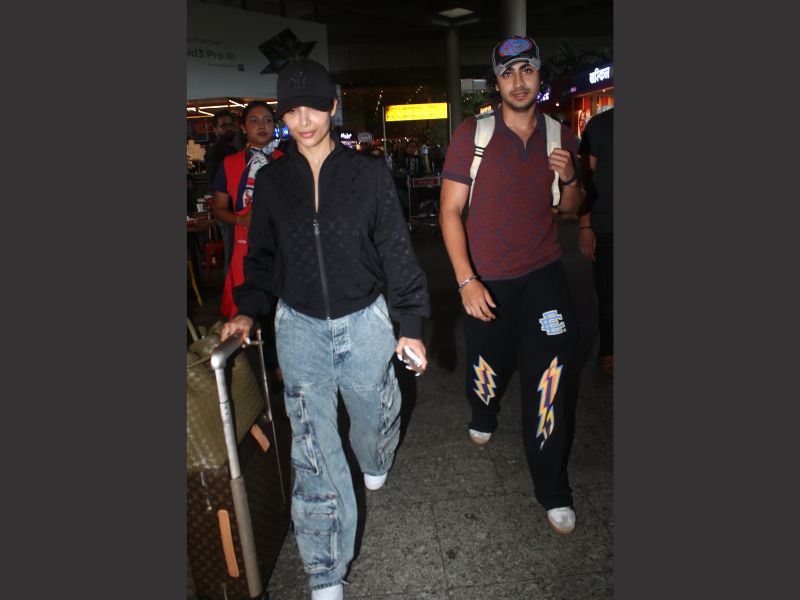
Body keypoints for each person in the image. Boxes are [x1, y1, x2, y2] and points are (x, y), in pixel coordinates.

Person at [220, 58, 430, 600]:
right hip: (299, 327)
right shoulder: (273, 182)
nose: (303, 120)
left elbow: (396, 251)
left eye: (313, 107)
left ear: (333, 107)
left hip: (365, 322)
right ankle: (326, 571)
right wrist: (248, 309)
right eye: (291, 111)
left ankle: (376, 453)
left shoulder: (368, 174)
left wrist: (409, 324)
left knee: (372, 418)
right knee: (313, 447)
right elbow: (261, 259)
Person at [438, 35, 585, 535]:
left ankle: (552, 488)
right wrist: (466, 280)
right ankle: (483, 410)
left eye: (527, 70)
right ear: (495, 82)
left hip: (543, 274)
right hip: (487, 278)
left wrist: (570, 179)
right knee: (486, 366)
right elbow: (450, 210)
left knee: (551, 376)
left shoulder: (560, 134)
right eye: (507, 73)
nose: (518, 81)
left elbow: (571, 208)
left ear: (540, 75)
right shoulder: (473, 134)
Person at [213, 101, 283, 381]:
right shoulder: (229, 164)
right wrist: (241, 220)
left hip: (285, 248)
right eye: (254, 121)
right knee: (256, 309)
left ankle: (283, 368)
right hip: (246, 248)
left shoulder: (288, 160)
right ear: (243, 127)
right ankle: (272, 370)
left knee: (284, 309)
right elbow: (219, 208)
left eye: (267, 120)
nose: (262, 126)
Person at [577, 107, 614, 376]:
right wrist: (585, 225)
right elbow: (585, 182)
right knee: (610, 297)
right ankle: (610, 352)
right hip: (607, 226)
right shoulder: (598, 126)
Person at [204, 109, 241, 276]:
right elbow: (217, 184)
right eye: (223, 126)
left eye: (231, 124)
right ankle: (231, 288)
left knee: (236, 250)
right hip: (227, 209)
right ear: (215, 130)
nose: (229, 128)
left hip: (233, 208)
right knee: (233, 252)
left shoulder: (230, 148)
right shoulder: (219, 152)